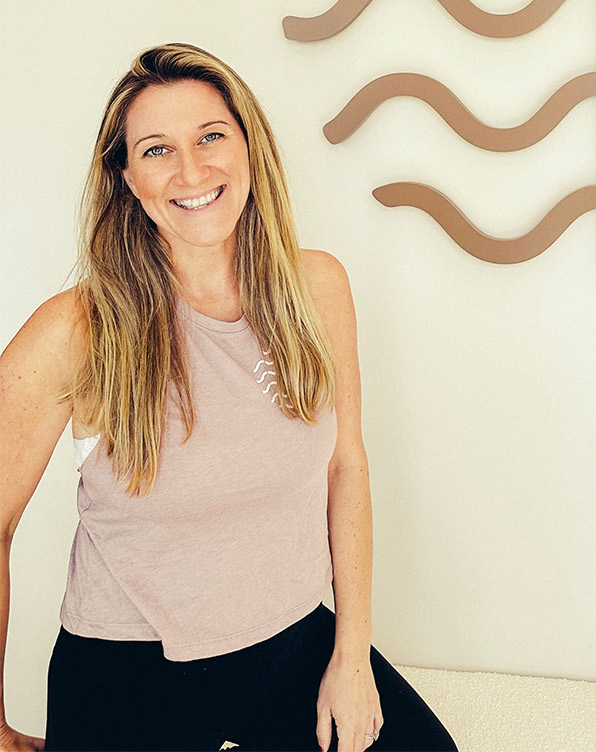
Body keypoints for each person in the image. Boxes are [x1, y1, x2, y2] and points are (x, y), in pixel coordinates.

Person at [0, 44, 456, 751]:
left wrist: (352, 654)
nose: (192, 170)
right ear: (125, 178)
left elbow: (347, 468)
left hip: (291, 642)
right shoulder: (78, 330)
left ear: (249, 146)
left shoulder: (317, 289)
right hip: (127, 671)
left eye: (211, 135)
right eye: (156, 150)